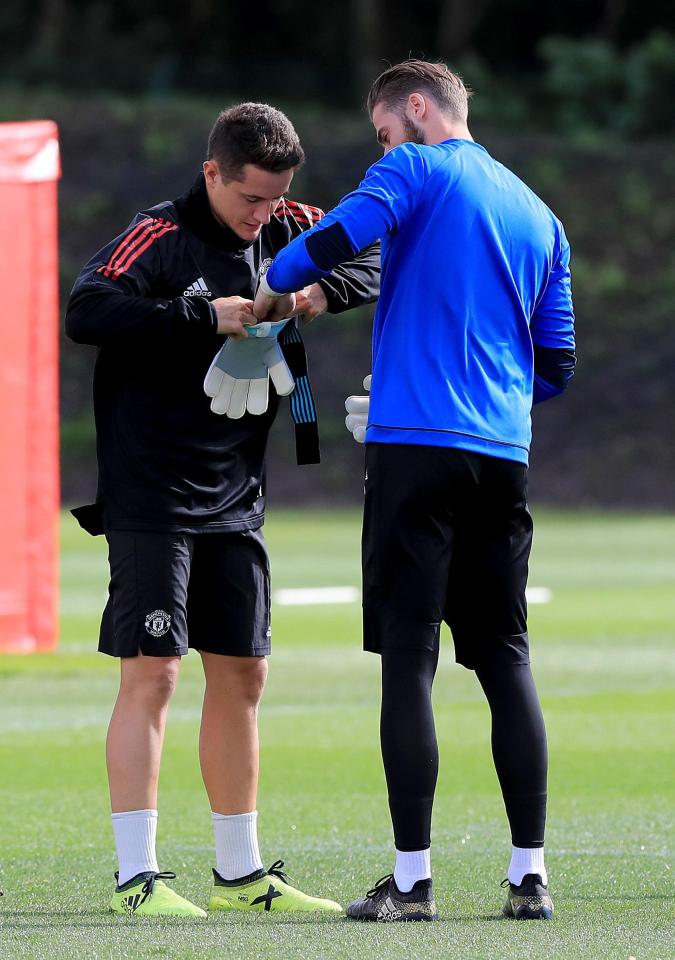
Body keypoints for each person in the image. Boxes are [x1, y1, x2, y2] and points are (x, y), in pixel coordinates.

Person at [254, 60, 576, 922]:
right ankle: (528, 876)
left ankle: (410, 881)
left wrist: (274, 279)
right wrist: (490, 402)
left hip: (414, 451)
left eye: (383, 131)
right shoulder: (540, 215)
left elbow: (329, 243)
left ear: (417, 110)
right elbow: (557, 365)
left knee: (409, 661)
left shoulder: (413, 168)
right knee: (506, 659)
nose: (381, 148)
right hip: (502, 453)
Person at [65, 102, 379, 917]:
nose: (263, 215)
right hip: (151, 492)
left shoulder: (294, 223)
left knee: (243, 672)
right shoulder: (159, 233)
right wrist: (199, 316)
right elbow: (86, 308)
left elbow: (375, 254)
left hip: (237, 495)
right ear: (212, 173)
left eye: (276, 199)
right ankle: (137, 877)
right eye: (250, 199)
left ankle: (239, 874)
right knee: (156, 672)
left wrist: (318, 289)